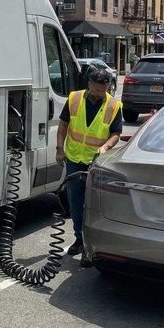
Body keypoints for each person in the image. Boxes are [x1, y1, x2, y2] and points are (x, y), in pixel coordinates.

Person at [56, 68, 123, 266]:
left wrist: (105, 147)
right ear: (89, 84)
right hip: (74, 159)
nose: (99, 93)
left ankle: (90, 245)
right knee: (75, 202)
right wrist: (59, 149)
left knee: (92, 204)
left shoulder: (113, 105)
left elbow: (116, 133)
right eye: (95, 89)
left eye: (102, 90)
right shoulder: (74, 99)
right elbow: (62, 126)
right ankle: (79, 238)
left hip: (95, 162)